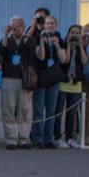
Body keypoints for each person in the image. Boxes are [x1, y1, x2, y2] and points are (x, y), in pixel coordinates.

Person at [30, 15, 68, 148]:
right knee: (39, 110)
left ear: (56, 25)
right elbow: (40, 57)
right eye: (48, 23)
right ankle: (37, 138)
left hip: (53, 78)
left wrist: (57, 45)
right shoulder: (37, 38)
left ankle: (49, 138)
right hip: (41, 78)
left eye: (52, 23)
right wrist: (42, 40)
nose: (50, 26)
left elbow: (63, 59)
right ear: (44, 25)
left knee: (51, 110)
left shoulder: (60, 40)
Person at [0, 16, 33, 149]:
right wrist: (6, 34)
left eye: (18, 26)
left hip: (24, 79)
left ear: (23, 27)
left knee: (24, 110)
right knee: (8, 109)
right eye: (13, 26)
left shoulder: (27, 40)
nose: (15, 29)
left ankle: (24, 138)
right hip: (8, 78)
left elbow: (32, 55)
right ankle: (11, 138)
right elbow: (1, 51)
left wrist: (24, 38)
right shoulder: (7, 40)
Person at [55, 24, 87, 148]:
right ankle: (57, 136)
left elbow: (85, 61)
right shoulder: (62, 44)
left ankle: (70, 137)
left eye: (77, 33)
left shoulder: (81, 47)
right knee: (59, 111)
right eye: (72, 32)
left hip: (76, 84)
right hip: (64, 82)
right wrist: (68, 44)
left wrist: (80, 45)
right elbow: (66, 60)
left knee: (72, 113)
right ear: (68, 33)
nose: (74, 35)